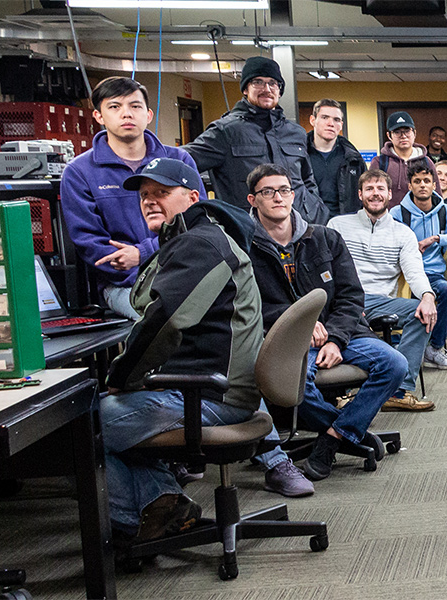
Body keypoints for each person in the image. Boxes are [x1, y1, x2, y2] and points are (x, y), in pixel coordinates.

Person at [99, 158, 305, 546]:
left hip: (212, 394)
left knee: (84, 423)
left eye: (162, 192)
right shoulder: (195, 239)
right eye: (145, 196)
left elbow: (166, 321)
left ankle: (134, 527)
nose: (150, 201)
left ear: (193, 197)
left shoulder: (201, 243)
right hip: (218, 387)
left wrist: (120, 380)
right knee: (117, 426)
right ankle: (163, 502)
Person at [244, 163, 407, 481]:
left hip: (343, 334)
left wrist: (334, 338)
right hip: (286, 341)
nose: (278, 197)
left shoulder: (325, 238)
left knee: (395, 365)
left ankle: (333, 438)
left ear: (293, 195)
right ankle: (349, 429)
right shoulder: (243, 247)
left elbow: (350, 295)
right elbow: (250, 306)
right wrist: (299, 325)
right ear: (253, 200)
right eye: (268, 192)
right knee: (294, 384)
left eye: (284, 190)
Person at [61, 76, 205, 320]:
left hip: (183, 273)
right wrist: (145, 275)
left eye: (135, 106)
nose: (126, 114)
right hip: (124, 286)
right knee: (165, 319)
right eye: (115, 107)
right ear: (98, 116)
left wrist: (144, 253)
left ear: (148, 115)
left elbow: (199, 223)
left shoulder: (179, 162)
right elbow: (92, 246)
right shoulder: (79, 173)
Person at [326, 170, 439, 412]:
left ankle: (398, 391)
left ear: (390, 194)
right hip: (343, 299)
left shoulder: (403, 233)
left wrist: (428, 297)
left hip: (378, 301)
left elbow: (415, 272)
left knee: (422, 313)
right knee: (339, 318)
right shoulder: (337, 225)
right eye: (369, 189)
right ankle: (340, 394)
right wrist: (344, 305)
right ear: (360, 195)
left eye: (380, 189)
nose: (375, 194)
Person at [183, 56, 327, 225]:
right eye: (258, 82)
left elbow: (307, 179)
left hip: (299, 229)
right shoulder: (226, 131)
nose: (267, 89)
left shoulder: (295, 132)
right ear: (245, 89)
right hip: (248, 233)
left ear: (279, 90)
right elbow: (181, 162)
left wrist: (315, 209)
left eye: (273, 83)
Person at [391, 164, 447, 370]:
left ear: (434, 185)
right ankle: (400, 347)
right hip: (404, 275)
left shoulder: (444, 210)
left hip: (432, 274)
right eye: (417, 181)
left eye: (427, 181)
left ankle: (434, 348)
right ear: (410, 185)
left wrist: (437, 238)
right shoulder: (398, 212)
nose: (422, 186)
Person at [306, 99, 367, 216]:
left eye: (336, 119)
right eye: (325, 117)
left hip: (345, 226)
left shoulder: (354, 159)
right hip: (308, 226)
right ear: (312, 120)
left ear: (341, 125)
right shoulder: (298, 157)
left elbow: (364, 195)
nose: (331, 123)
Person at [370, 111, 435, 201]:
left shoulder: (426, 162)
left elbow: (437, 195)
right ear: (389, 135)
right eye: (397, 132)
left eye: (407, 131)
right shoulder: (380, 162)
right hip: (389, 214)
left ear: (414, 133)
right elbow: (371, 194)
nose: (403, 136)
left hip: (420, 214)